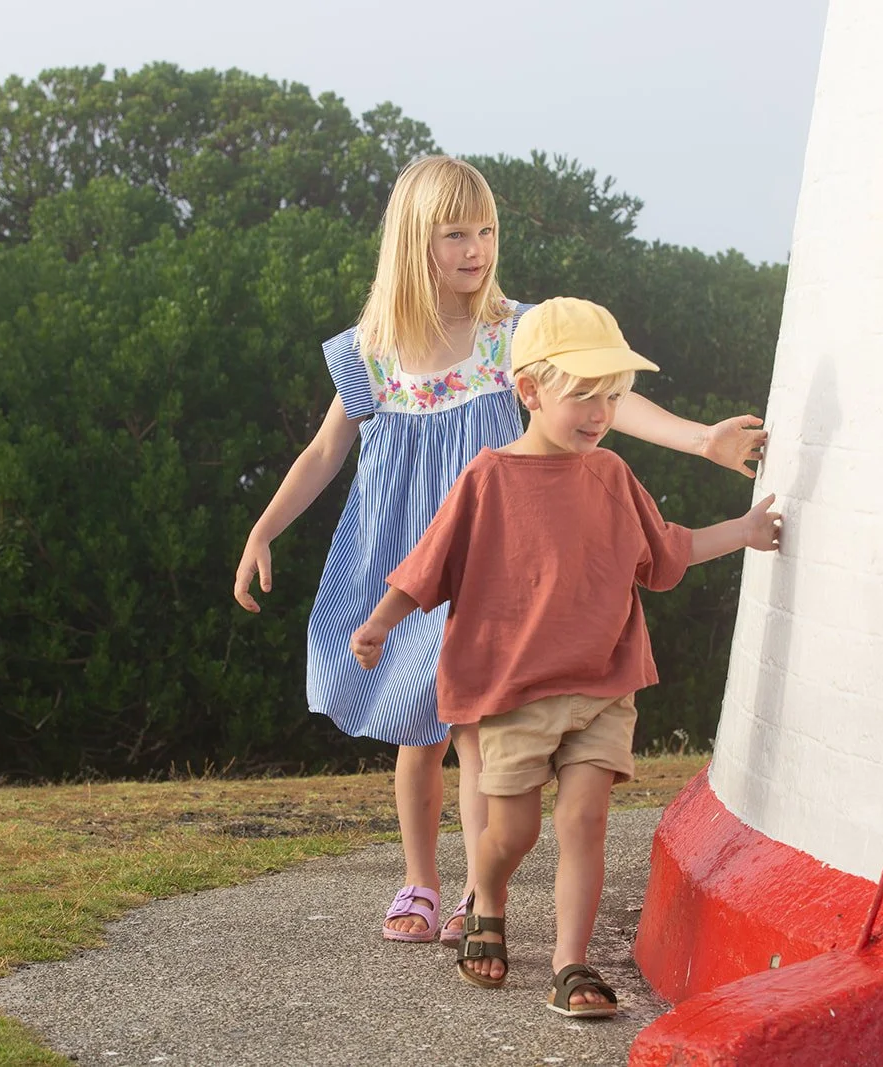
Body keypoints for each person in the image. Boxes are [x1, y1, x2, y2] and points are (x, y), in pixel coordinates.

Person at [233, 156, 768, 946]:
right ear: (414, 243)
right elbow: (323, 452)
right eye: (455, 234)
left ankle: (480, 894)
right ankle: (420, 877)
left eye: (486, 230)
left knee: (479, 733)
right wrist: (262, 529)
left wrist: (701, 440)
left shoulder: (513, 335)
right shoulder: (370, 352)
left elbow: (607, 399)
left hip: (498, 563)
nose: (475, 248)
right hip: (411, 554)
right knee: (419, 731)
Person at [350, 297, 783, 1016]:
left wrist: (745, 529)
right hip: (514, 690)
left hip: (605, 683)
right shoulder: (487, 478)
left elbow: (667, 550)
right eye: (583, 394)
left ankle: (570, 964)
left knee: (584, 820)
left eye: (609, 396)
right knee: (511, 831)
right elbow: (426, 566)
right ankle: (487, 897)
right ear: (530, 390)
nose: (599, 412)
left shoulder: (611, 475)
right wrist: (378, 624)